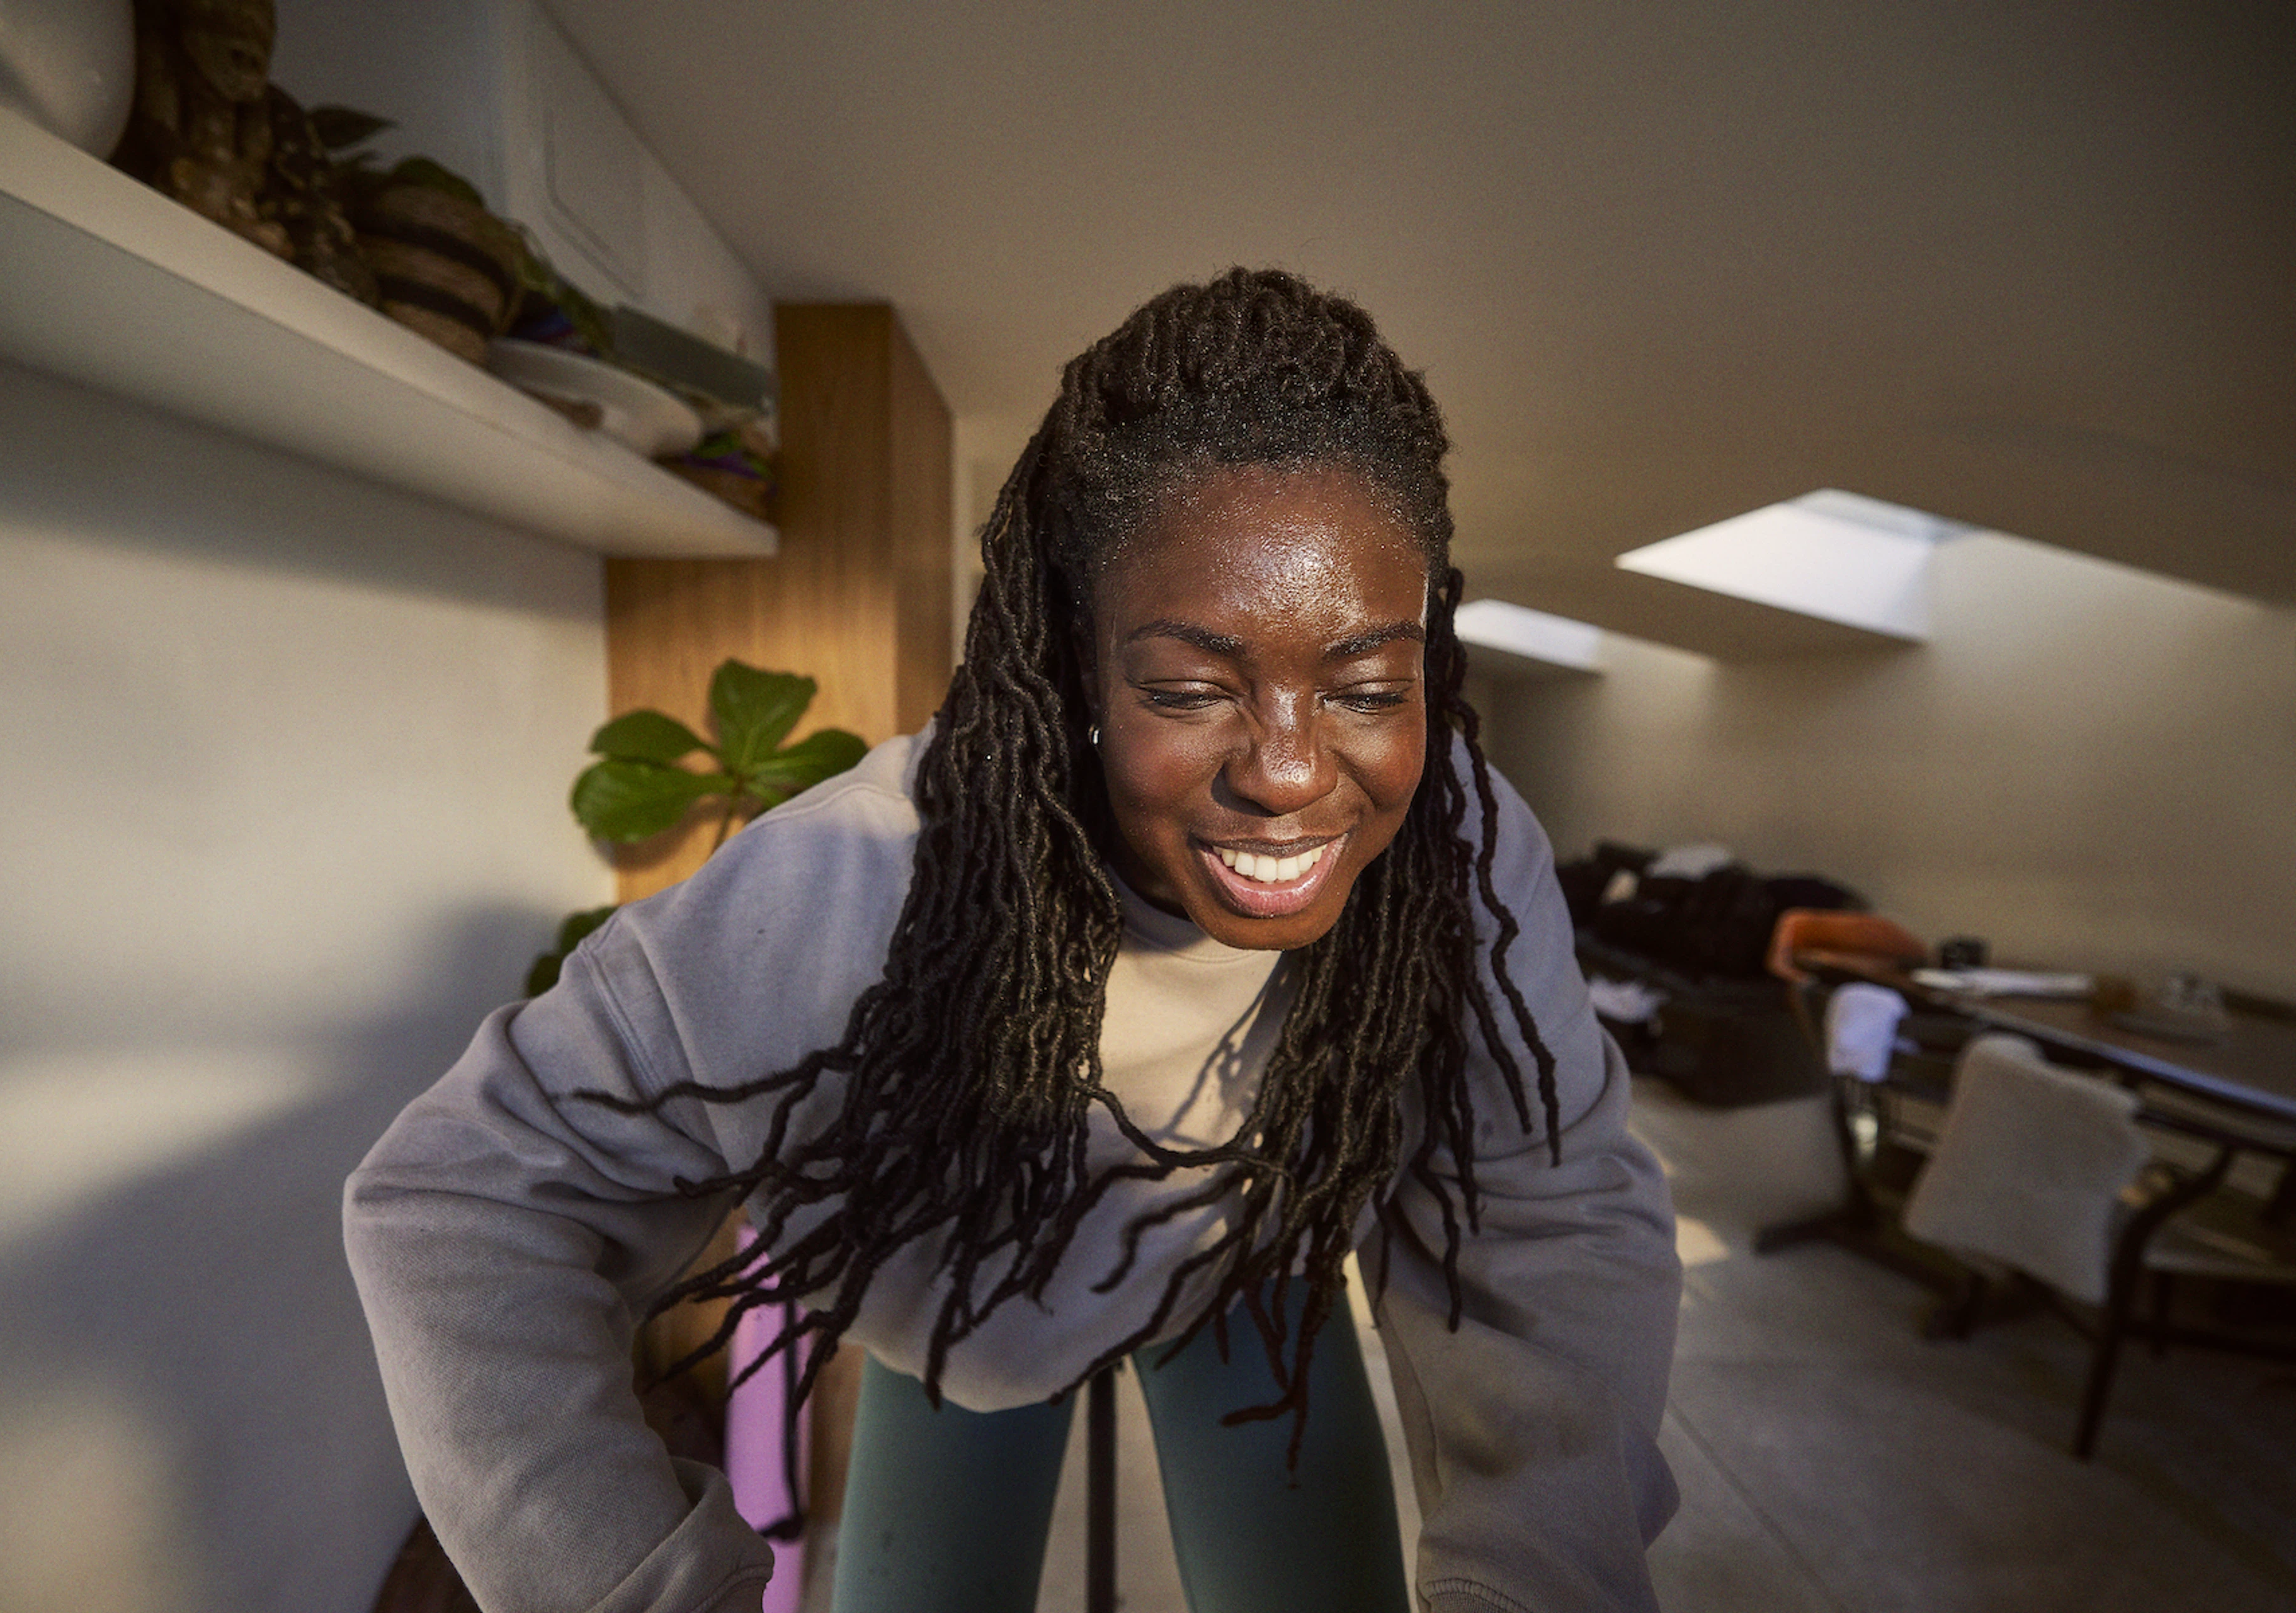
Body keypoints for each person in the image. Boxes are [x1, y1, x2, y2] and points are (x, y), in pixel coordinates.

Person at [344, 268, 1681, 1613]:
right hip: (970, 1294)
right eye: (1188, 688)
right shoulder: (852, 877)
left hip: (1248, 1260)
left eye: (1367, 686)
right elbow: (466, 1194)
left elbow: (1553, 1207)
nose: (1288, 771)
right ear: (1073, 664)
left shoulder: (1459, 847)